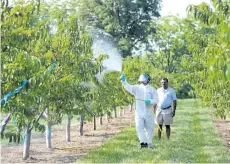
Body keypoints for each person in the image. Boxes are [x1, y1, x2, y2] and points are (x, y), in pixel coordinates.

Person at [120, 73, 158, 148]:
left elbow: (156, 100)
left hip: (149, 112)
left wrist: (150, 101)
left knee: (150, 129)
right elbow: (128, 87)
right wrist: (124, 81)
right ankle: (143, 143)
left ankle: (149, 144)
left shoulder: (152, 89)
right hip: (139, 112)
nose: (144, 81)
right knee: (139, 127)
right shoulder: (137, 88)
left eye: (145, 79)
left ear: (148, 80)